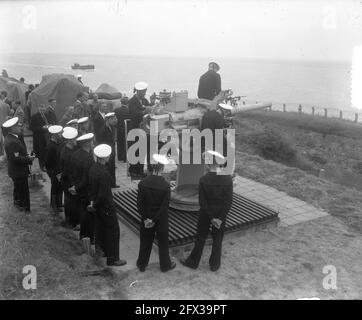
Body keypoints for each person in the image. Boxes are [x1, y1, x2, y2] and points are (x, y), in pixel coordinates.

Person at [180, 150, 233, 272]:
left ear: (208, 164)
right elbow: (228, 202)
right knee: (218, 239)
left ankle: (193, 262)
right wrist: (219, 218)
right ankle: (214, 265)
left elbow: (202, 202)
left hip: (205, 213)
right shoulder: (227, 179)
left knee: (200, 237)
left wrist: (211, 217)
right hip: (221, 214)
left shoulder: (203, 179)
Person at [88, 144, 127, 267]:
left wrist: (93, 203)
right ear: (105, 157)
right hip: (106, 206)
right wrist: (96, 203)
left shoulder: (93, 168)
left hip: (98, 206)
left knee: (102, 229)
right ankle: (113, 258)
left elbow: (92, 189)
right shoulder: (104, 173)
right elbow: (103, 194)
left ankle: (103, 252)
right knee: (114, 230)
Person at [136, 154, 176, 273]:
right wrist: (154, 219)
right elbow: (165, 206)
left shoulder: (142, 183)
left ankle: (142, 264)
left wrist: (147, 218)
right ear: (162, 168)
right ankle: (165, 265)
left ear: (152, 167)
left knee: (145, 241)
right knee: (163, 243)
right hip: (160, 219)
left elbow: (139, 204)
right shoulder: (165, 185)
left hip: (146, 218)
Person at [2, 117, 36, 212]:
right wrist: (29, 158)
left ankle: (18, 204)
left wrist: (27, 155)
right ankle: (25, 209)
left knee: (18, 189)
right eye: (18, 126)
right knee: (23, 191)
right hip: (19, 171)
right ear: (12, 128)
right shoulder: (12, 141)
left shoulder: (12, 138)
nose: (20, 128)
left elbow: (18, 155)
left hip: (16, 171)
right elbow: (15, 159)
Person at [69, 133, 95, 241]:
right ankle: (87, 236)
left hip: (77, 187)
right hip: (86, 190)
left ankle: (83, 235)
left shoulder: (75, 154)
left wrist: (74, 186)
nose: (93, 143)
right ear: (88, 143)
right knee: (88, 214)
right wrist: (78, 187)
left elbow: (71, 172)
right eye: (92, 141)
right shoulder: (88, 158)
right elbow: (87, 178)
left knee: (82, 210)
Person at [128, 82, 155, 179]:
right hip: (135, 129)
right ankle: (133, 171)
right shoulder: (131, 101)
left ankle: (140, 171)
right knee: (135, 151)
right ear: (138, 91)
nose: (144, 94)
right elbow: (133, 114)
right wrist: (144, 111)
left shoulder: (144, 100)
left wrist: (152, 106)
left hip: (144, 130)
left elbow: (149, 111)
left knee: (142, 151)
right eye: (143, 92)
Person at [59, 127, 79, 228]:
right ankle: (72, 223)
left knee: (70, 201)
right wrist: (72, 185)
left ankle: (70, 221)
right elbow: (68, 172)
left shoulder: (67, 149)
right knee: (71, 202)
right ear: (70, 141)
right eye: (75, 139)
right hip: (68, 182)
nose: (76, 140)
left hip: (66, 180)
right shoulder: (68, 154)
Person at [30, 104, 56, 171]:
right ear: (38, 109)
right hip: (39, 137)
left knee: (48, 150)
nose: (42, 110)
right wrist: (42, 128)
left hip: (48, 136)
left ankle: (48, 164)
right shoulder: (34, 116)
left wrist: (50, 125)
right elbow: (32, 127)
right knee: (41, 152)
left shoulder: (47, 115)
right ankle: (42, 166)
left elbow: (50, 122)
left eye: (43, 109)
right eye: (41, 109)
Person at [96, 112, 119, 188]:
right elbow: (101, 143)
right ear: (108, 120)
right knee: (107, 169)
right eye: (113, 119)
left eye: (115, 118)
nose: (115, 120)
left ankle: (113, 183)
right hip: (106, 153)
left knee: (112, 168)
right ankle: (108, 184)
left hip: (111, 152)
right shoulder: (103, 130)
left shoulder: (112, 128)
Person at [45, 125, 64, 212]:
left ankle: (59, 203)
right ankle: (54, 205)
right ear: (54, 135)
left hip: (58, 170)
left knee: (59, 187)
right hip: (54, 170)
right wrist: (52, 171)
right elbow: (48, 161)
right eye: (59, 133)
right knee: (55, 187)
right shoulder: (50, 146)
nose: (61, 134)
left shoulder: (57, 143)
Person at [114, 96, 130, 162]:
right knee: (125, 143)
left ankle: (119, 157)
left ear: (121, 102)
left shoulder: (116, 110)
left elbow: (115, 120)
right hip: (126, 128)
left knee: (119, 143)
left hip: (119, 128)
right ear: (127, 103)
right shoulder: (129, 110)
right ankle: (124, 158)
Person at [0, 94, 11, 160]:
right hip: (5, 124)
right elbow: (9, 114)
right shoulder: (6, 105)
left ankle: (1, 154)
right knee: (6, 139)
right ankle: (8, 154)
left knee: (1, 140)